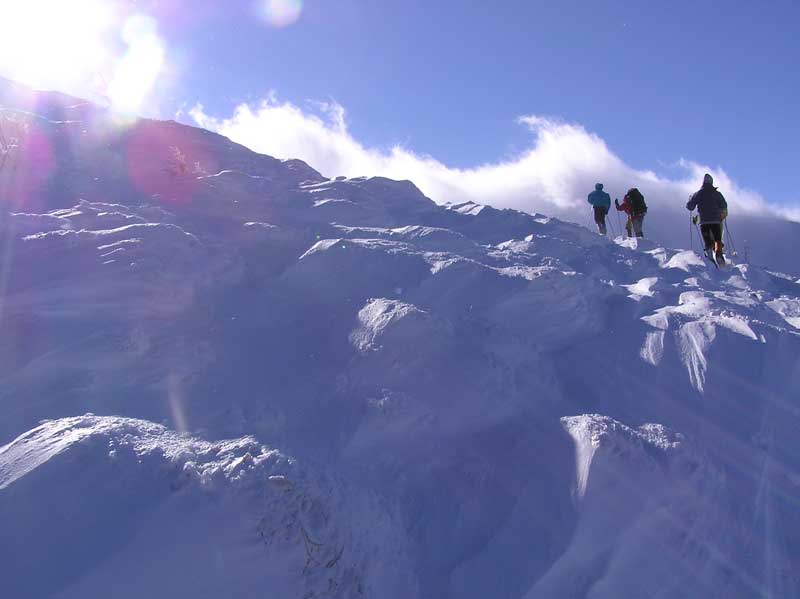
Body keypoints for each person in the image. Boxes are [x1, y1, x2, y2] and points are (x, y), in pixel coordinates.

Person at [686, 173, 728, 264]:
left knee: (707, 239)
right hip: (716, 221)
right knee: (717, 239)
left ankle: (710, 257)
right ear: (711, 182)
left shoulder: (698, 194)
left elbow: (690, 207)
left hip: (704, 222)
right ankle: (718, 253)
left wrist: (690, 201)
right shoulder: (716, 194)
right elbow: (724, 205)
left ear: (703, 182)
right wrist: (722, 212)